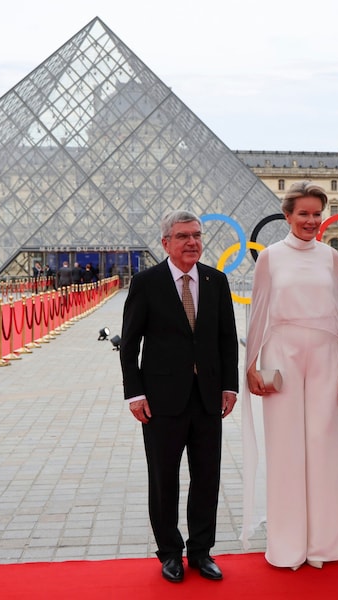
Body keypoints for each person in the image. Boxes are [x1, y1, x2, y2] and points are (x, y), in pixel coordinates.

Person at [241, 180, 338, 570]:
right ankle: (287, 545)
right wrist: (251, 368)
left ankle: (325, 545)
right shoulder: (270, 258)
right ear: (287, 215)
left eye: (317, 214)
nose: (312, 221)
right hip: (282, 356)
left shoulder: (330, 258)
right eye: (304, 214)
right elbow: (258, 313)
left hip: (326, 356)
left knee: (325, 448)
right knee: (286, 451)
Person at [120, 210, 238, 583]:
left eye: (197, 235)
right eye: (183, 236)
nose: (192, 242)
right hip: (161, 400)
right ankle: (170, 552)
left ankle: (201, 551)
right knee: (163, 479)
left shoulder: (215, 280)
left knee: (206, 478)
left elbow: (226, 339)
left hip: (207, 399)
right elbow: (129, 344)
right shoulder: (146, 282)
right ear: (165, 243)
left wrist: (229, 386)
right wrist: (135, 394)